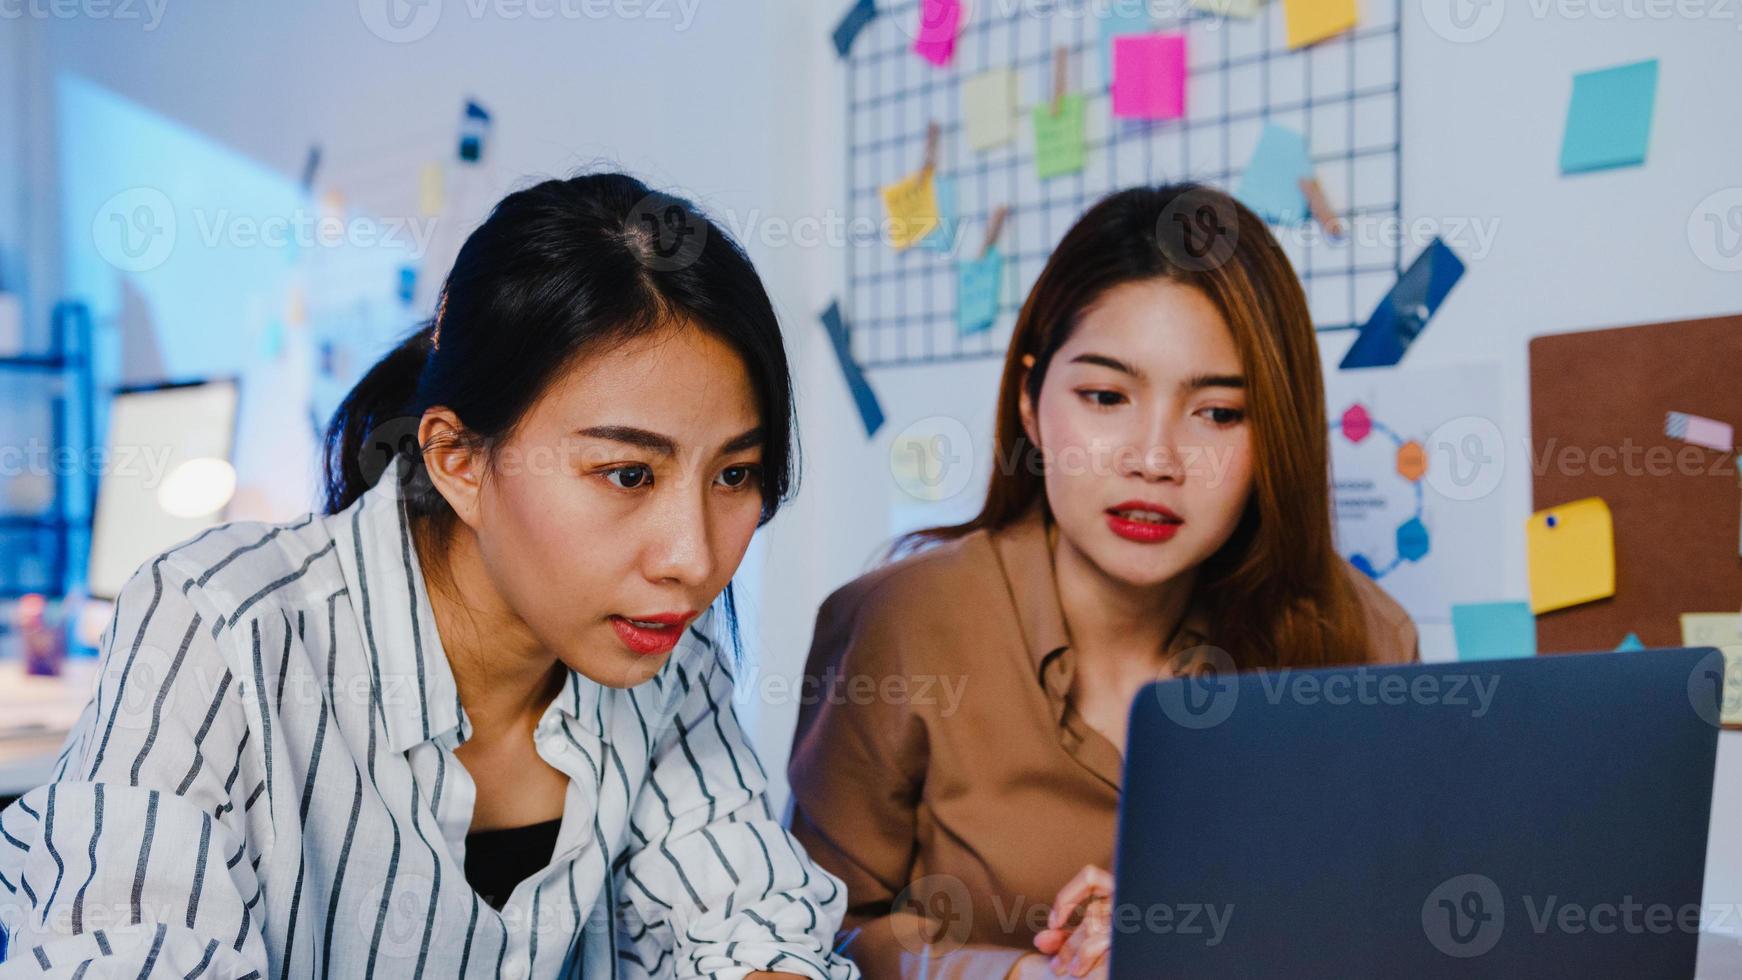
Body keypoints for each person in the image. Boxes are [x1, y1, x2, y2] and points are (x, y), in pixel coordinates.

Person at [0, 173, 856, 980]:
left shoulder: (664, 649)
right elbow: (127, 948)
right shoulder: (223, 626)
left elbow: (752, 918)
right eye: (628, 475)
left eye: (734, 476)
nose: (694, 560)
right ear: (457, 460)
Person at [787, 184, 1419, 979]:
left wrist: (1191, 940)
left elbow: (1388, 927)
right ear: (1029, 400)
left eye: (1219, 413)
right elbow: (808, 937)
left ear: (1276, 435)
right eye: (1106, 397)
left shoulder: (1361, 636)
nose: (1154, 459)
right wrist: (1019, 974)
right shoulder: (900, 623)